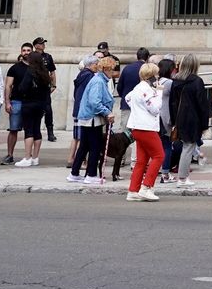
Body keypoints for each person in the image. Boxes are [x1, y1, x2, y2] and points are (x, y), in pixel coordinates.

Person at [69, 56, 116, 186]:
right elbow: (95, 101)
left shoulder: (99, 80)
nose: (113, 72)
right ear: (106, 69)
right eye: (112, 70)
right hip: (92, 119)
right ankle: (91, 174)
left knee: (84, 146)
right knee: (95, 146)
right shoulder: (98, 81)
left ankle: (74, 173)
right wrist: (108, 113)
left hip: (88, 118)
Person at [125, 62, 166, 201]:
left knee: (141, 161)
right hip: (146, 127)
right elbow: (155, 109)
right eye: (156, 74)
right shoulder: (147, 90)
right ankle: (146, 187)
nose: (158, 76)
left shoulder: (138, 87)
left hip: (137, 126)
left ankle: (133, 190)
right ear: (152, 76)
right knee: (159, 156)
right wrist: (159, 92)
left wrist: (137, 109)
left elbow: (128, 98)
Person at [169, 55, 211, 187]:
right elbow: (202, 104)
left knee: (186, 147)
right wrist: (205, 124)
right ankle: (182, 177)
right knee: (188, 147)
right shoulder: (197, 81)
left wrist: (174, 120)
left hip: (179, 118)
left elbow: (172, 103)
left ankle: (183, 176)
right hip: (193, 119)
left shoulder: (175, 81)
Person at [15, 49, 52, 167]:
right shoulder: (45, 73)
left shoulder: (30, 72)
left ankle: (27, 157)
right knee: (37, 130)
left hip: (29, 103)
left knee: (29, 130)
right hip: (40, 104)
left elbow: (22, 88)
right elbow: (47, 90)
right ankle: (35, 157)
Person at [2, 42, 33, 165]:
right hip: (16, 101)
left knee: (30, 130)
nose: (26, 52)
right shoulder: (15, 68)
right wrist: (7, 102)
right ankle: (10, 154)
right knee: (13, 129)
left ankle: (29, 155)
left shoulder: (36, 68)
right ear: (21, 52)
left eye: (28, 50)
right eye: (24, 50)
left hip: (31, 102)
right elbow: (8, 86)